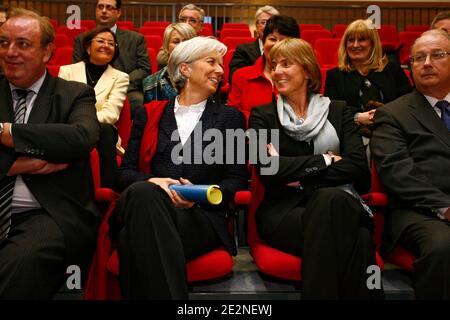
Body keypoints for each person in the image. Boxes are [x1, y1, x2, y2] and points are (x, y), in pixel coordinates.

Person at [112, 37, 247, 299]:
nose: (221, 70)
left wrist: (197, 194)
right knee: (145, 194)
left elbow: (237, 180)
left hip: (200, 216)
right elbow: (124, 174)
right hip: (150, 206)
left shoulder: (231, 118)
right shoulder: (148, 113)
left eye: (221, 64)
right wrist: (157, 182)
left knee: (132, 239)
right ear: (185, 69)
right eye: (211, 62)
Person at [249, 38, 382, 299]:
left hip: (339, 204)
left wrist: (298, 176)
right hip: (284, 213)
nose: (276, 71)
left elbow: (358, 168)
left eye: (286, 64)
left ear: (308, 71)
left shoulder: (340, 111)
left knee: (329, 201)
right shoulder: (261, 115)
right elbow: (267, 170)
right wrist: (325, 160)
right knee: (360, 237)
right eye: (273, 65)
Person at [0, 8, 99, 299]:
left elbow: (82, 138)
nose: (10, 52)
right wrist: (15, 165)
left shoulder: (74, 94)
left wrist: (9, 133)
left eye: (23, 43)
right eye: (4, 42)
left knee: (21, 262)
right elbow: (61, 140)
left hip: (47, 212)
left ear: (47, 52)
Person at [371, 29, 450, 299]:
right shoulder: (393, 113)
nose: (427, 63)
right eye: (418, 58)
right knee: (444, 247)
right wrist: (446, 208)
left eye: (437, 55)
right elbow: (398, 172)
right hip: (420, 212)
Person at [59, 26, 129, 188]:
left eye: (111, 43)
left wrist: (84, 124)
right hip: (70, 129)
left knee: (106, 129)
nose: (106, 45)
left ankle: (107, 190)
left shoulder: (120, 77)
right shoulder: (67, 71)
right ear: (88, 47)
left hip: (100, 133)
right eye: (101, 41)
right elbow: (62, 107)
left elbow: (111, 114)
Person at [324, 19, 411, 137]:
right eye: (350, 40)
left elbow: (407, 103)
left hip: (393, 130)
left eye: (361, 39)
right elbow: (332, 110)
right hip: (352, 133)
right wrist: (358, 117)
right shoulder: (335, 75)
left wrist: (383, 115)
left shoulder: (393, 70)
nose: (355, 45)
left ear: (373, 43)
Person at [72, 0, 150, 118]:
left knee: (138, 101)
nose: (104, 11)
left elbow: (144, 69)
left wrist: (118, 84)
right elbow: (77, 68)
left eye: (109, 7)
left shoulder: (135, 39)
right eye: (100, 7)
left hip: (127, 88)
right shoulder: (82, 39)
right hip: (91, 87)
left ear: (118, 12)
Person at [228, 15, 299, 120]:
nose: (277, 45)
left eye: (284, 41)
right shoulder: (241, 76)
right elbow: (233, 116)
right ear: (263, 41)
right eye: (272, 39)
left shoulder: (301, 76)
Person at [143, 22, 196, 102]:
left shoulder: (205, 77)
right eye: (176, 42)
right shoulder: (151, 83)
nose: (181, 45)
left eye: (186, 41)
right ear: (166, 47)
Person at [228, 5, 279, 83]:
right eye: (264, 22)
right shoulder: (243, 50)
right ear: (257, 26)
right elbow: (235, 78)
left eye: (272, 22)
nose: (268, 26)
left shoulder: (286, 49)